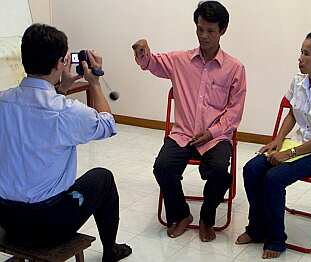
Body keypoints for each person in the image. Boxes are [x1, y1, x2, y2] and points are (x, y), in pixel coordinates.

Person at [0, 24, 131, 262]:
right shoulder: (66, 111)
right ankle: (110, 251)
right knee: (103, 177)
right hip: (48, 225)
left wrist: (64, 86)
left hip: (7, 218)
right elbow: (108, 125)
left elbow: (40, 116)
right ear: (61, 62)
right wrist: (94, 83)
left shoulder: (3, 101)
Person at [132, 1, 246, 242]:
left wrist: (212, 132)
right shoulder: (180, 60)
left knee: (219, 172)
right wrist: (143, 53)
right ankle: (181, 214)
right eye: (200, 29)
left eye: (210, 31)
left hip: (215, 138)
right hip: (183, 134)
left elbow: (234, 112)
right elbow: (151, 62)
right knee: (162, 167)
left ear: (222, 30)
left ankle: (207, 218)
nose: (204, 36)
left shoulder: (235, 68)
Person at [236, 32, 311, 259]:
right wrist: (278, 140)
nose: (300, 58)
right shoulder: (298, 81)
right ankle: (256, 228)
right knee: (252, 169)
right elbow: (292, 115)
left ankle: (277, 240)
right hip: (296, 142)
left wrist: (288, 154)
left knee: (274, 178)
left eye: (306, 53)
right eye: (301, 51)